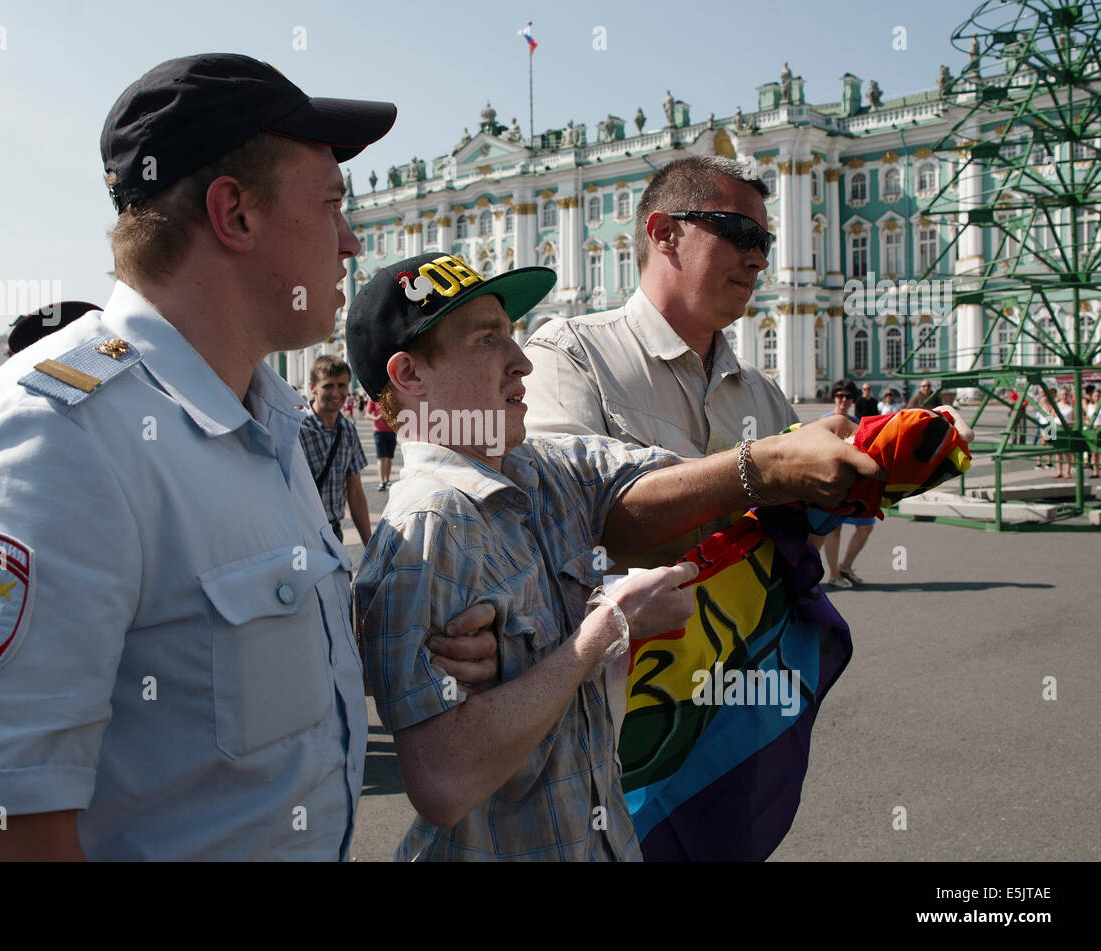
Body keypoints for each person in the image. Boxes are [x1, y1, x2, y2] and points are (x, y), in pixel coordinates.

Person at [0, 53, 498, 862]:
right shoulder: (46, 447)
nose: (352, 241)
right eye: (331, 205)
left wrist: (408, 640)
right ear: (234, 214)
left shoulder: (258, 415)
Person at [345, 252, 884, 860]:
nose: (520, 360)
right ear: (410, 376)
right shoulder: (428, 530)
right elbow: (443, 783)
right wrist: (606, 629)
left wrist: (880, 446)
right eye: (487, 338)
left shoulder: (543, 469)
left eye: (513, 334)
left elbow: (689, 477)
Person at [523, 155, 807, 563]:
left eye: (764, 242)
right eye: (741, 233)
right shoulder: (571, 354)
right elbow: (566, 520)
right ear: (664, 233)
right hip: (628, 629)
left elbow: (796, 543)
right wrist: (759, 468)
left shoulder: (764, 393)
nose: (758, 260)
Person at [300, 355, 370, 544]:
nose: (336, 392)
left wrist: (369, 544)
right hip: (299, 534)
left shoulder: (348, 430)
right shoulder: (295, 429)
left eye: (341, 385)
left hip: (334, 533)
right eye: (328, 385)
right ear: (312, 388)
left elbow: (354, 491)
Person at [815, 379, 876, 589]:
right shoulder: (824, 421)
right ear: (834, 397)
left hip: (855, 483)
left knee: (866, 527)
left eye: (847, 396)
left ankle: (846, 566)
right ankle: (833, 575)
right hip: (832, 482)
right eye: (840, 395)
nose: (843, 400)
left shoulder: (855, 422)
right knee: (834, 529)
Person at [366, 394, 397, 490]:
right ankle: (381, 481)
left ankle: (387, 480)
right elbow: (367, 414)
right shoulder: (373, 398)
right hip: (379, 431)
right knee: (381, 457)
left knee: (389, 457)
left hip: (391, 431)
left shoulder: (391, 397)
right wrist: (376, 419)